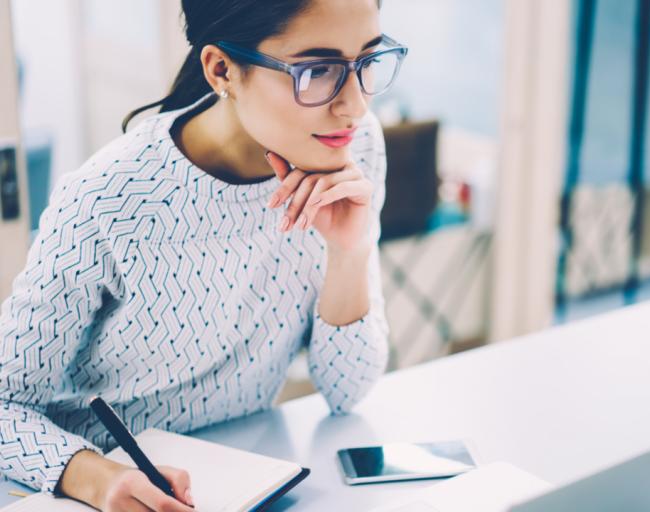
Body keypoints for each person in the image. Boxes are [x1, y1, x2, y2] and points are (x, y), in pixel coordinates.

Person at [0, 0, 407, 509]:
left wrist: (350, 251)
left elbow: (348, 390)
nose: (355, 106)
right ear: (221, 69)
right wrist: (98, 479)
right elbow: (4, 404)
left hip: (247, 478)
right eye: (318, 71)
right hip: (94, 490)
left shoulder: (352, 149)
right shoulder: (106, 200)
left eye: (367, 62)